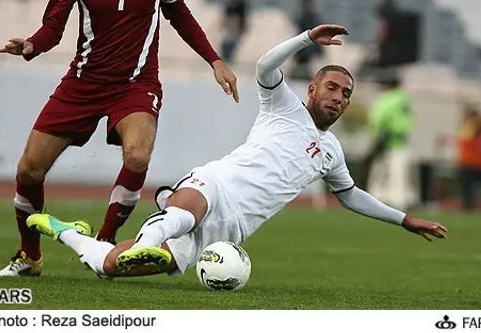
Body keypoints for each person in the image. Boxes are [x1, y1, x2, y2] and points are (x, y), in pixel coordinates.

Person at [26, 24, 448, 279]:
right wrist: (305, 39)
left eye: (346, 94)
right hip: (215, 186)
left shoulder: (332, 152)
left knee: (111, 267)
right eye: (332, 88)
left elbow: (351, 194)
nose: (338, 97)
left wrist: (403, 218)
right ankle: (153, 231)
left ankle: (69, 231)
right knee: (182, 215)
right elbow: (265, 67)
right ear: (312, 89)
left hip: (232, 229)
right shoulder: (282, 105)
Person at [0, 0, 238, 277]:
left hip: (136, 84)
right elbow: (53, 28)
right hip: (82, 83)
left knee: (138, 156)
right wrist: (30, 46)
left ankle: (104, 243)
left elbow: (182, 16)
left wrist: (215, 60)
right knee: (28, 171)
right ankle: (29, 256)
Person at [362, 72, 416, 209]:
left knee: (387, 173)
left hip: (388, 139)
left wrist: (377, 136)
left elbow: (379, 119)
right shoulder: (402, 98)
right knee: (393, 173)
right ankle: (397, 200)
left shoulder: (392, 99)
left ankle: (385, 201)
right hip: (396, 141)